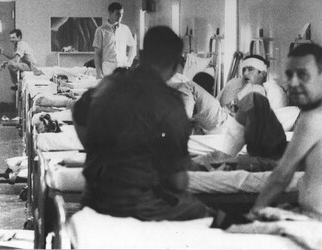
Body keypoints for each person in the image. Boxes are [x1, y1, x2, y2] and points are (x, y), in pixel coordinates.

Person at [79, 26, 252, 227]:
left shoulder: (109, 85)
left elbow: (79, 114)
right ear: (175, 65)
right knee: (214, 216)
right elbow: (177, 181)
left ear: (141, 55)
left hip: (93, 199)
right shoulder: (171, 105)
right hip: (137, 207)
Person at [250, 43, 322, 233]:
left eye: (302, 75)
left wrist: (254, 214)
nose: (293, 83)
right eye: (289, 74)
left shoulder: (314, 117)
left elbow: (281, 176)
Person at [219, 54, 288, 111]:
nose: (245, 73)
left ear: (263, 73)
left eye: (250, 69)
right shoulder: (235, 85)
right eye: (244, 70)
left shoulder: (272, 91)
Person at [93, 2, 136, 79]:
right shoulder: (101, 30)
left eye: (122, 14)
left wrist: (129, 62)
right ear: (110, 13)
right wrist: (98, 73)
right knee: (109, 89)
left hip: (122, 66)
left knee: (123, 89)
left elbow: (133, 45)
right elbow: (97, 54)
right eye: (117, 14)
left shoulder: (125, 29)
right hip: (108, 67)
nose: (120, 16)